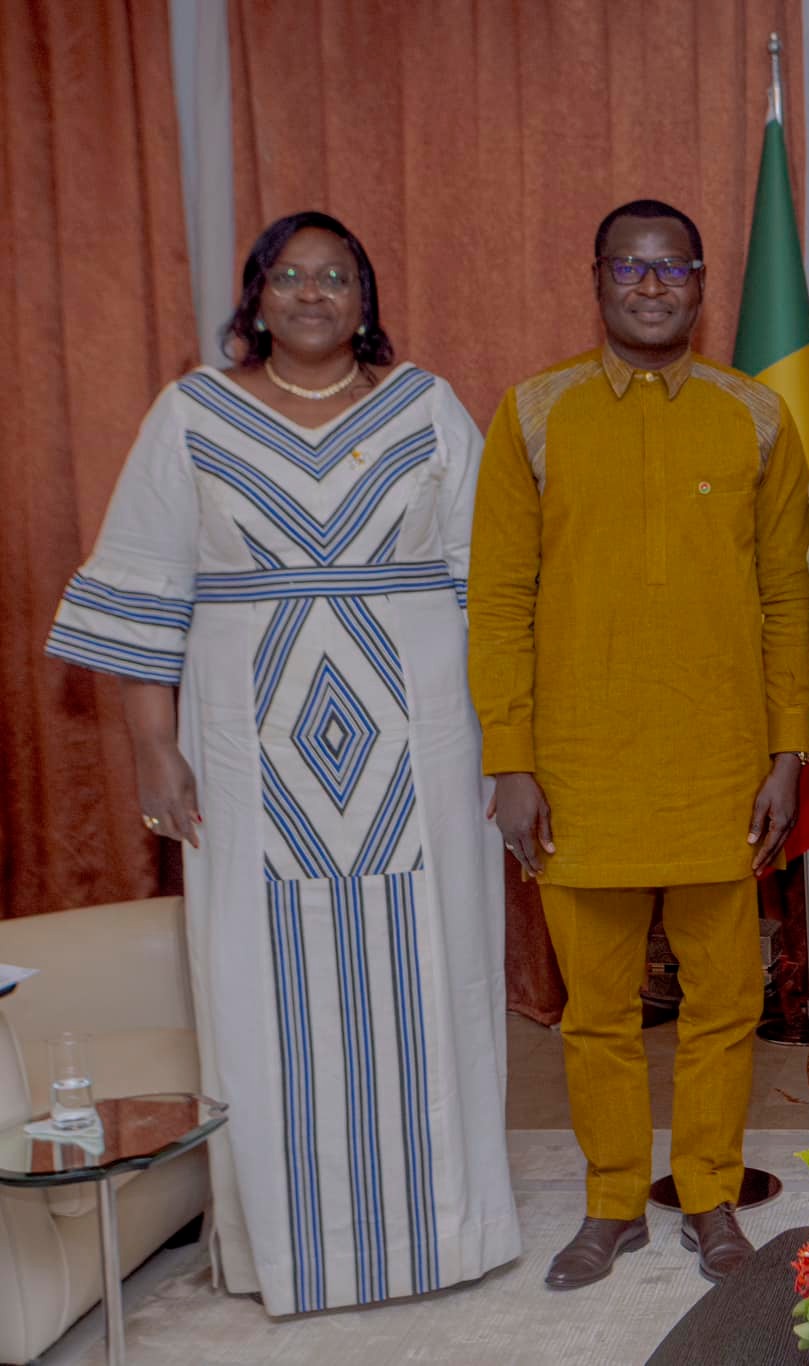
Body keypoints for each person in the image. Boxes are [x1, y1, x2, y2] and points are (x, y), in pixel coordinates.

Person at [44, 211, 519, 1315]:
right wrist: (153, 753)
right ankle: (290, 1247)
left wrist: (510, 739)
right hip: (245, 751)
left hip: (426, 742)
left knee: (433, 960)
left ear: (366, 296)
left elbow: (491, 582)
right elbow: (142, 593)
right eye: (291, 276)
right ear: (256, 297)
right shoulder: (190, 414)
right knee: (263, 975)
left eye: (337, 276)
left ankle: (446, 1232)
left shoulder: (425, 405)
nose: (314, 293)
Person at [467, 198, 809, 1288]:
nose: (653, 286)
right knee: (599, 1011)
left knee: (724, 1005)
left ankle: (710, 1195)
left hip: (720, 766)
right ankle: (613, 1198)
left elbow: (785, 599)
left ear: (705, 285)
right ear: (598, 278)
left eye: (674, 270)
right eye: (632, 266)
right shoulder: (532, 413)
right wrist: (510, 761)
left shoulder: (756, 416)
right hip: (578, 770)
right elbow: (499, 598)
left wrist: (787, 750)